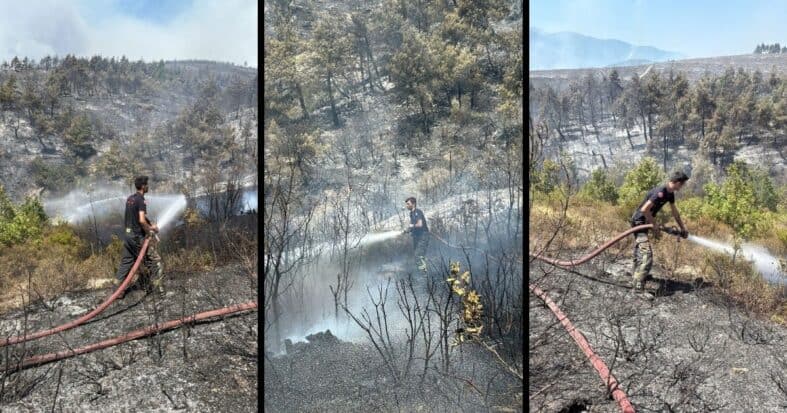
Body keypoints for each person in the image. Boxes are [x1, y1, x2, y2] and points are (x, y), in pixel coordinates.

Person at [630, 171, 690, 291]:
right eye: (682, 185)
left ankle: (637, 275)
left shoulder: (670, 194)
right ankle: (637, 288)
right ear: (677, 183)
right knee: (646, 254)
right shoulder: (661, 192)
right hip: (639, 222)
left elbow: (675, 213)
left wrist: (683, 228)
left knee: (640, 250)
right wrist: (654, 224)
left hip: (645, 223)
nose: (682, 187)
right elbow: (644, 209)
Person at [114, 176, 164, 298]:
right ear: (143, 186)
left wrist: (151, 224)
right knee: (155, 262)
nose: (148, 186)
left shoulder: (130, 199)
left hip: (128, 236)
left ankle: (117, 291)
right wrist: (150, 231)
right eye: (147, 184)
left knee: (126, 262)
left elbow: (137, 217)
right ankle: (157, 290)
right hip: (137, 237)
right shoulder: (141, 200)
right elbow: (141, 220)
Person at [403, 197, 429, 271]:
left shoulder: (418, 212)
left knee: (419, 255)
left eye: (408, 204)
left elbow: (420, 224)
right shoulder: (411, 213)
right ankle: (421, 271)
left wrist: (412, 226)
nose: (407, 206)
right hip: (417, 237)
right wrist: (408, 230)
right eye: (406, 204)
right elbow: (413, 225)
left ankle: (423, 274)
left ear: (413, 204)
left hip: (423, 236)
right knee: (417, 255)